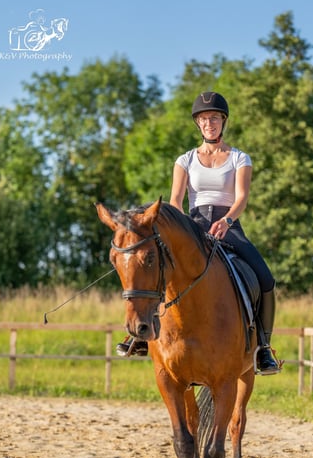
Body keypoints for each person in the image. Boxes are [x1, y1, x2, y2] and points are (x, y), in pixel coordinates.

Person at [117, 91, 281, 375]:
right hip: (192, 225)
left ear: (223, 122)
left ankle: (263, 348)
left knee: (265, 278)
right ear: (198, 124)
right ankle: (139, 335)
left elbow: (241, 198)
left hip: (227, 226)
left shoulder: (239, 158)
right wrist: (180, 230)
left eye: (214, 118)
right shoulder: (185, 160)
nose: (209, 124)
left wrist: (227, 221)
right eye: (204, 119)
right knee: (156, 268)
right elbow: (175, 200)